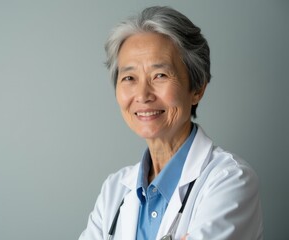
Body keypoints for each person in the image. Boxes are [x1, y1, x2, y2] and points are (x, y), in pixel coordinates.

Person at [79, 6, 263, 240]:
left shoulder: (231, 181)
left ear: (197, 88)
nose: (143, 95)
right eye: (129, 78)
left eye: (160, 75)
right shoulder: (114, 190)